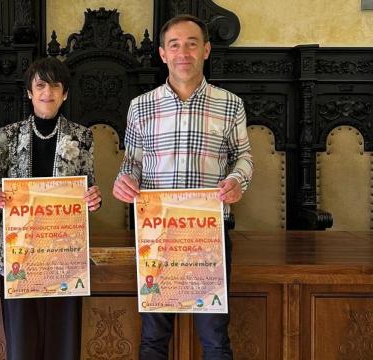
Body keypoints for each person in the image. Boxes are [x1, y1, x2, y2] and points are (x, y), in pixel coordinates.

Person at [112, 14, 253, 360]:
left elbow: (244, 156)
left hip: (210, 236)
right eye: (174, 45)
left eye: (192, 44)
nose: (183, 52)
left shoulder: (230, 103)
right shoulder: (140, 107)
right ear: (162, 54)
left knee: (215, 339)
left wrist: (238, 181)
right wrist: (123, 182)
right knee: (154, 338)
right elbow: (131, 164)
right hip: (156, 237)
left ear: (206, 50)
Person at [0, 57, 102, 360]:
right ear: (29, 92)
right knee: (22, 342)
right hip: (18, 251)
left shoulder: (82, 136)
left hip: (65, 251)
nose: (47, 92)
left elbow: (88, 190)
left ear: (64, 94)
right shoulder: (8, 135)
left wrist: (93, 199)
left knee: (63, 342)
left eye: (55, 86)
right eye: (40, 85)